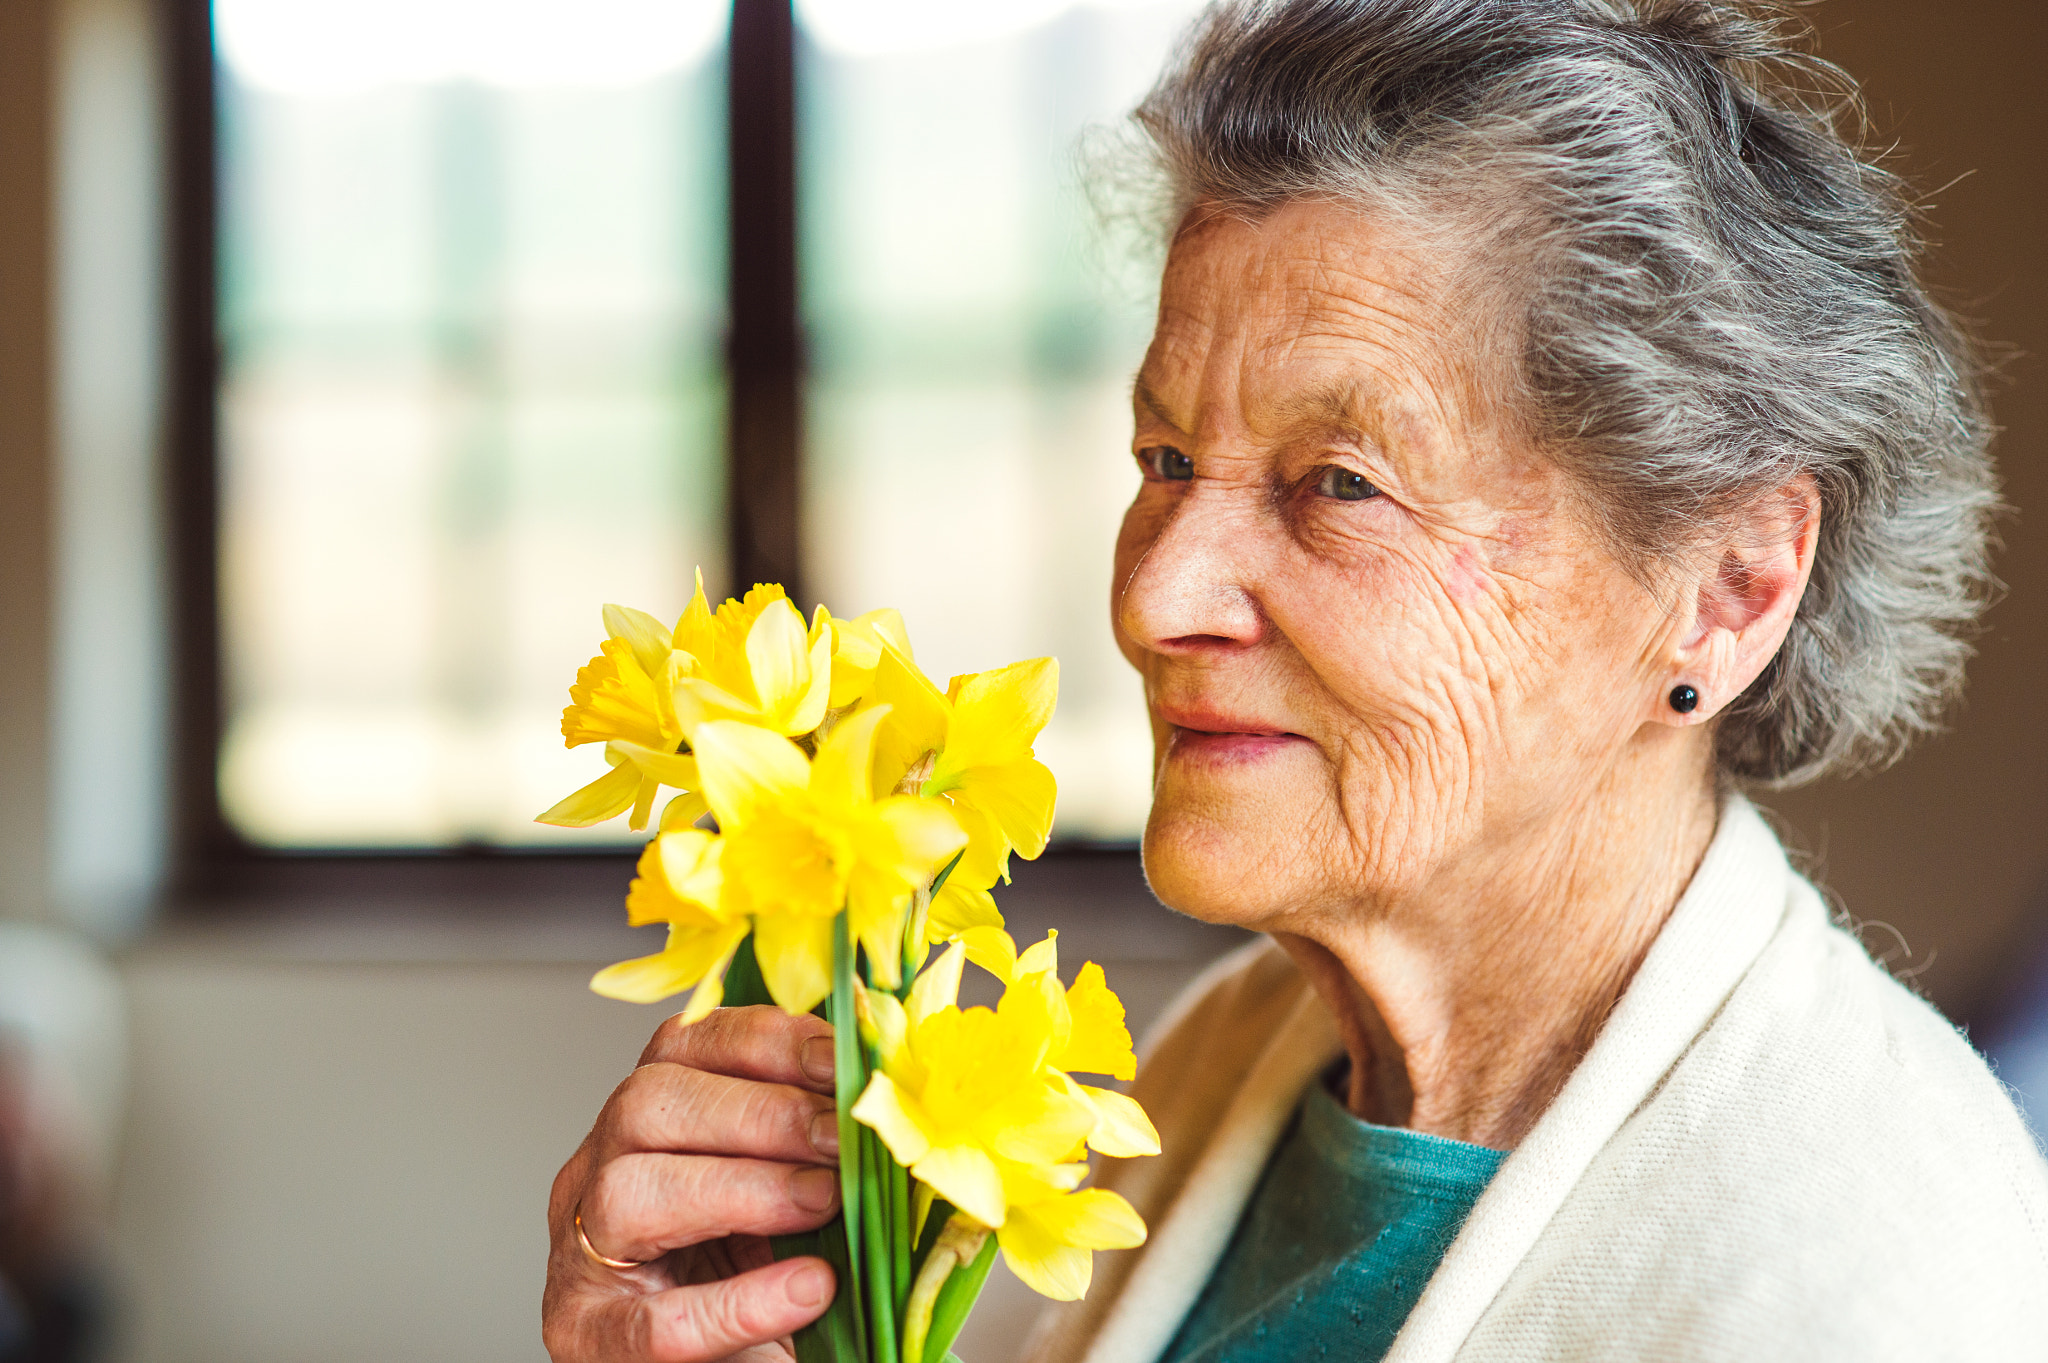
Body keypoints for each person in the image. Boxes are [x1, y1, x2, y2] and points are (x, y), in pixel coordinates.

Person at [541, 2, 2048, 1359]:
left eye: (1338, 482)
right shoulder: (1223, 1071)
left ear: (1728, 590)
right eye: (1167, 459)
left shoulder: (1878, 1282)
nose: (1151, 597)